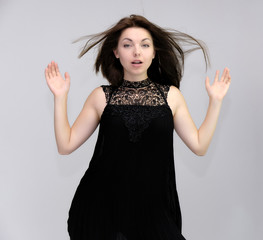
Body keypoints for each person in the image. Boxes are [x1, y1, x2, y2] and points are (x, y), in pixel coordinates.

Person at [45, 15, 231, 240]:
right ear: (116, 52)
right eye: (127, 45)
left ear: (154, 52)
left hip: (153, 211)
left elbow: (200, 146)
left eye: (144, 45)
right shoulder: (101, 97)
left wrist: (216, 102)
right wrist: (60, 97)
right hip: (102, 208)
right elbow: (65, 145)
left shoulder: (172, 97)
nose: (136, 52)